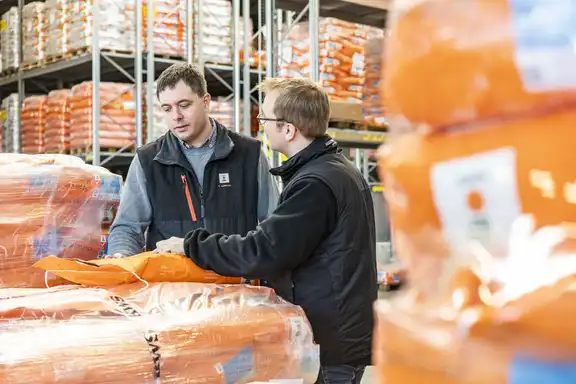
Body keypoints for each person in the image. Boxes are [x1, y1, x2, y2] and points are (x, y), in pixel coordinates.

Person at [155, 77, 378, 384]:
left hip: (330, 342)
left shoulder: (315, 183)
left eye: (265, 119)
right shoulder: (334, 170)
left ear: (288, 129)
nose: (261, 126)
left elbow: (264, 250)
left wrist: (191, 245)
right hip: (339, 333)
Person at [106, 63, 279, 257]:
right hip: (172, 284)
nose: (176, 116)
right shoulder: (148, 161)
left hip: (234, 283)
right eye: (167, 109)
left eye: (184, 105)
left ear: (206, 102)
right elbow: (127, 228)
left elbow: (274, 227)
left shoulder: (249, 155)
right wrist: (120, 254)